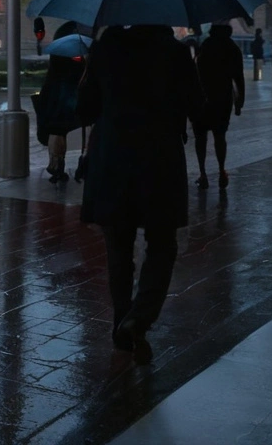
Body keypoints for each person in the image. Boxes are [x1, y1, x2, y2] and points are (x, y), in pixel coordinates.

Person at [77, 24, 202, 364]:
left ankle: (121, 325)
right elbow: (196, 107)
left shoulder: (106, 49)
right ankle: (139, 317)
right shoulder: (175, 52)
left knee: (118, 247)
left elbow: (85, 109)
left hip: (112, 160)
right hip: (159, 161)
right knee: (162, 245)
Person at [192, 23, 245, 190]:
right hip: (222, 98)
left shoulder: (206, 46)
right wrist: (240, 101)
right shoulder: (232, 48)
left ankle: (203, 174)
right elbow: (238, 77)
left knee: (200, 137)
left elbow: (196, 71)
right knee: (220, 136)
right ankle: (222, 171)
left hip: (202, 98)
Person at [34, 52, 84, 184]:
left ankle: (56, 164)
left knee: (56, 131)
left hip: (54, 100)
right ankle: (57, 165)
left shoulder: (56, 61)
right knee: (59, 131)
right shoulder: (74, 62)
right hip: (65, 99)